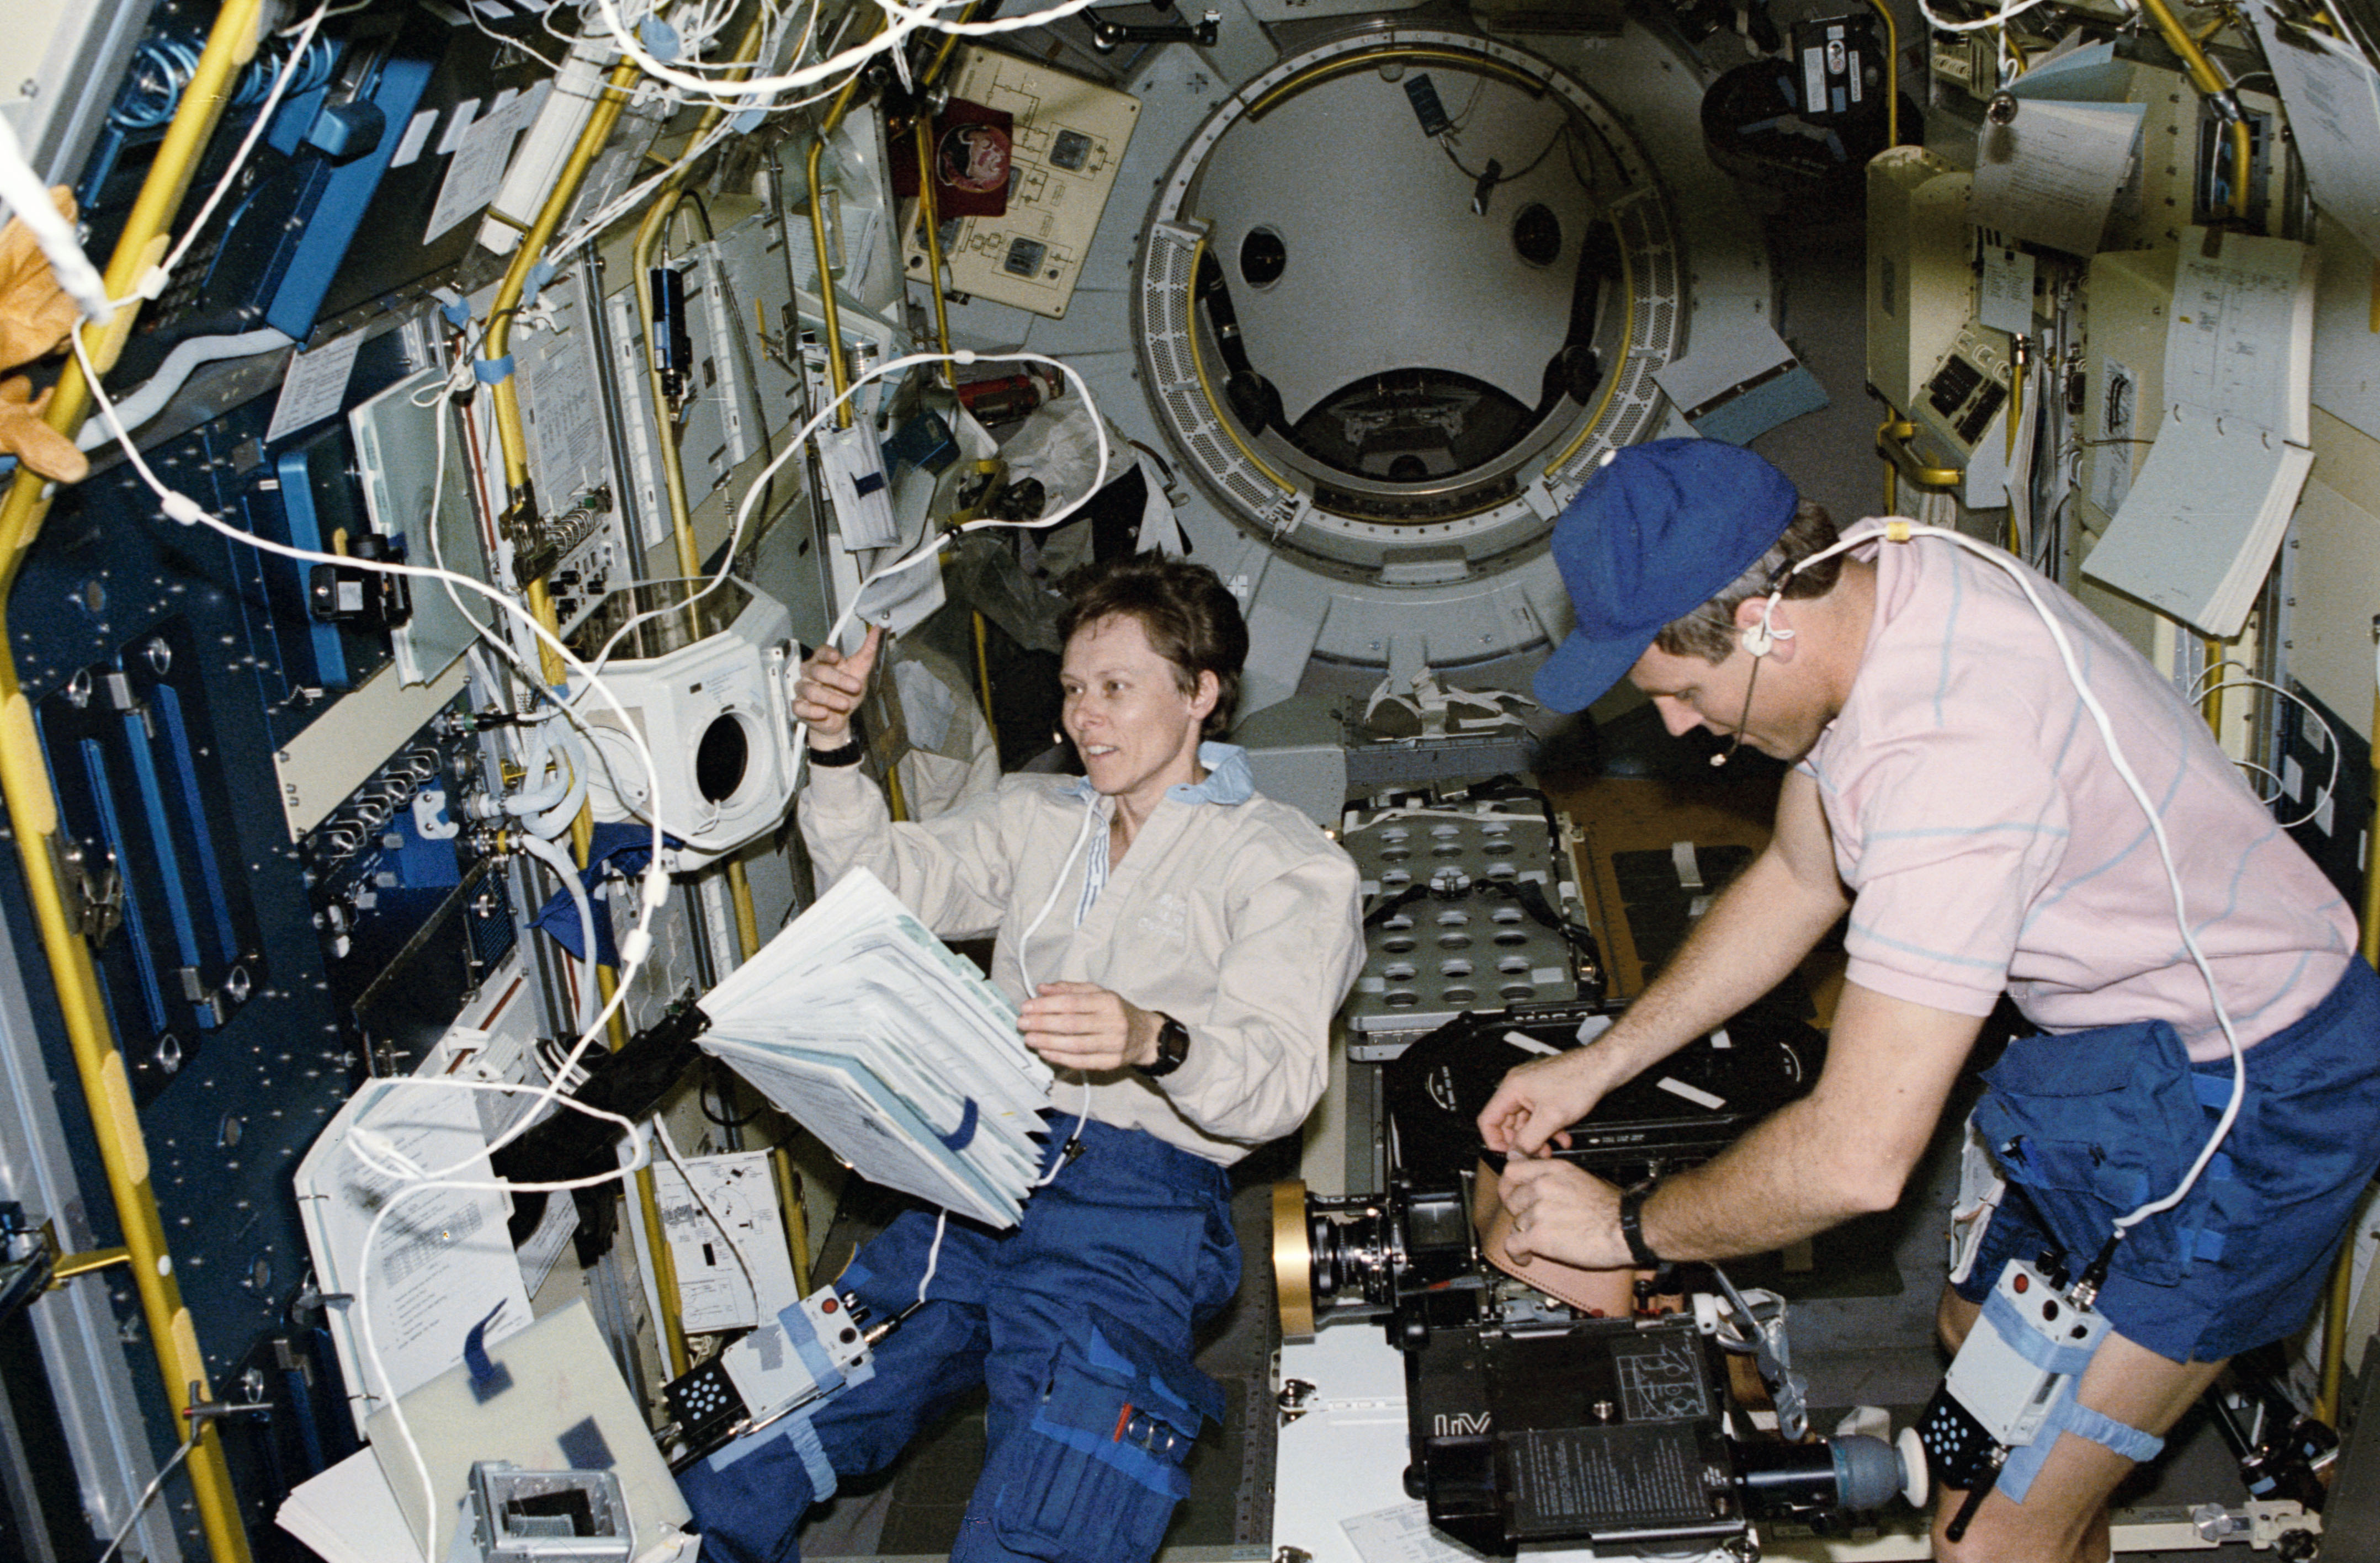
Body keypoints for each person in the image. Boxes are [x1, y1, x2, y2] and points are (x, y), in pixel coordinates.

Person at [1476, 439, 2379, 1563]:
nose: (1675, 729)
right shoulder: (1881, 584)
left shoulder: (1952, 763)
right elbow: (1802, 879)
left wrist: (1625, 1225)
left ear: (1762, 623)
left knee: (1989, 1539)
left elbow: (1856, 1159)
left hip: (2260, 1100)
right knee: (1978, 1347)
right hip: (2116, 1051)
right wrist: (1596, 1061)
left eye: (1683, 694)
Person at [681, 553, 1364, 1563]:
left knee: (1048, 1528)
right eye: (1077, 690)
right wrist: (831, 747)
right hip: (973, 1175)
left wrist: (1153, 1038)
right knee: (748, 1445)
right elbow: (884, 883)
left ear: (1200, 694)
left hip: (1135, 1213)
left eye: (1118, 689)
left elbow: (1276, 1084)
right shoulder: (1040, 820)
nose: (1087, 718)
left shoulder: (1288, 864)